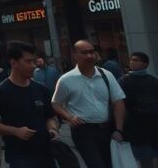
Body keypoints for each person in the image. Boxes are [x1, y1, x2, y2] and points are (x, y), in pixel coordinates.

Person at [0, 41, 60, 167]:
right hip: (20, 158)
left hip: (46, 155)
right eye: (28, 61)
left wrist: (52, 128)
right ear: (14, 63)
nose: (33, 66)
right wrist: (15, 131)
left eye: (34, 61)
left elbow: (50, 116)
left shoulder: (41, 89)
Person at [52, 39, 127, 168]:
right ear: (74, 55)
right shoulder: (66, 80)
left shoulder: (106, 75)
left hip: (107, 130)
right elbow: (56, 103)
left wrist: (119, 130)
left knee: (112, 164)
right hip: (84, 132)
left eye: (92, 52)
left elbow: (118, 101)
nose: (89, 56)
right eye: (84, 53)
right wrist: (69, 117)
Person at [119, 51, 158, 168]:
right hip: (136, 125)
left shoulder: (153, 81)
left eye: (136, 60)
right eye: (131, 60)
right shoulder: (124, 81)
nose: (132, 62)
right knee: (143, 157)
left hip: (150, 124)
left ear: (145, 64)